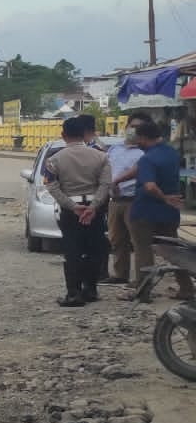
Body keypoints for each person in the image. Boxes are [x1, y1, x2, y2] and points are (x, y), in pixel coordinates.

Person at [43, 116, 111, 306]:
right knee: (94, 251)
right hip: (94, 212)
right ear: (84, 135)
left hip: (71, 212)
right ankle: (91, 290)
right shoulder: (101, 156)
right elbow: (106, 184)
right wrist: (92, 207)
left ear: (63, 135)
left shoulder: (54, 160)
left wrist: (73, 207)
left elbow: (51, 186)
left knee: (72, 252)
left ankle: (73, 294)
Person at [127, 119, 194, 302]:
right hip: (169, 212)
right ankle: (187, 288)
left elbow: (149, 186)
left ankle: (143, 292)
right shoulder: (171, 153)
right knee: (174, 252)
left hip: (145, 211)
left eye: (137, 138)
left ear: (143, 137)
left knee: (143, 251)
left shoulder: (147, 158)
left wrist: (163, 197)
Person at [103, 120, 146, 284]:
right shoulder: (115, 149)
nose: (133, 131)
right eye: (131, 127)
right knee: (116, 239)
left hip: (133, 200)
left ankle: (141, 279)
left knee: (138, 240)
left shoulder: (142, 153)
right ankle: (120, 274)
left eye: (137, 128)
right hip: (114, 200)